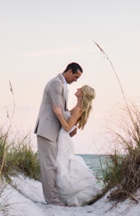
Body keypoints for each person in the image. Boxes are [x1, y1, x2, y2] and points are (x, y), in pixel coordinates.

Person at [34, 62, 82, 205]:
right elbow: (59, 109)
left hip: (53, 131)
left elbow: (63, 111)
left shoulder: (61, 84)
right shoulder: (56, 84)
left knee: (53, 165)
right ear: (69, 71)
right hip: (47, 130)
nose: (76, 80)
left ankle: (54, 196)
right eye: (76, 76)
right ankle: (52, 199)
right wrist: (71, 128)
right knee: (48, 166)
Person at [52, 84, 100, 206]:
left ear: (82, 93)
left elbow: (67, 127)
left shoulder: (79, 109)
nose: (78, 88)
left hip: (63, 137)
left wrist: (58, 114)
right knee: (61, 164)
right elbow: (71, 125)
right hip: (63, 137)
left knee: (61, 164)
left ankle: (62, 194)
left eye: (80, 88)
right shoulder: (78, 107)